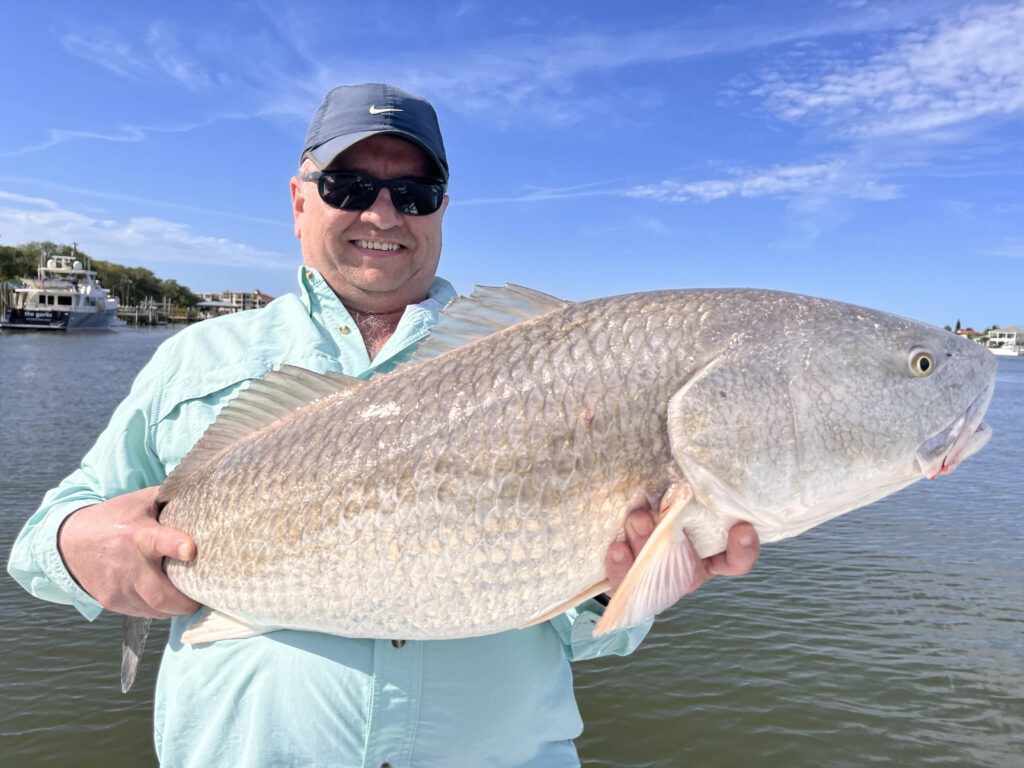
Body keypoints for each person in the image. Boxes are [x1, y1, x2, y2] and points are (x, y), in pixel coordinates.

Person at [8, 83, 759, 767]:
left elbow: (597, 639)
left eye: (415, 191)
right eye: (349, 186)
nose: (383, 213)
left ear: (441, 210)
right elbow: (43, 540)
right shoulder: (194, 358)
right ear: (300, 200)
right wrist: (80, 545)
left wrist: (618, 588)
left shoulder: (551, 367)